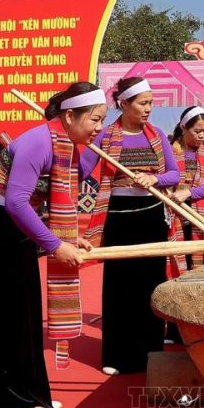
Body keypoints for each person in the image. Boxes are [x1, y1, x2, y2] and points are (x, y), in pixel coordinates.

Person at [0, 82, 106, 408]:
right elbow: (15, 202)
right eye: (95, 120)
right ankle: (24, 401)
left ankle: (28, 391)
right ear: (69, 117)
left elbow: (69, 183)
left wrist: (67, 238)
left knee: (24, 316)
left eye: (102, 120)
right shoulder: (38, 142)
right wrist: (57, 245)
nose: (99, 128)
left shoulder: (66, 144)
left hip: (12, 228)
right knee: (6, 318)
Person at [80, 77, 180, 376]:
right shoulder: (105, 135)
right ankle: (118, 356)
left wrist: (154, 178)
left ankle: (151, 352)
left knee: (151, 284)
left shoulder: (157, 135)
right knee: (119, 286)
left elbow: (174, 174)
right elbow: (81, 167)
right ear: (124, 104)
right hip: (118, 216)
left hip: (151, 216)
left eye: (151, 103)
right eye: (143, 103)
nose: (149, 109)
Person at [169, 105, 204, 269]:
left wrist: (188, 192)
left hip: (202, 216)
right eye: (197, 131)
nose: (202, 135)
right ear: (183, 127)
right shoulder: (169, 152)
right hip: (176, 215)